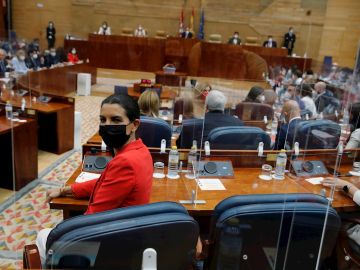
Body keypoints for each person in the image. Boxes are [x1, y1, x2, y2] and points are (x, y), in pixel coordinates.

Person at [36, 93, 153, 264]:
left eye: (115, 120)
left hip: (112, 242)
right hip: (126, 233)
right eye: (103, 120)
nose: (107, 126)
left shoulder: (125, 162)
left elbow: (92, 218)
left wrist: (61, 234)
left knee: (43, 237)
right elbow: (106, 183)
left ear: (134, 125)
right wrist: (66, 189)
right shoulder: (141, 150)